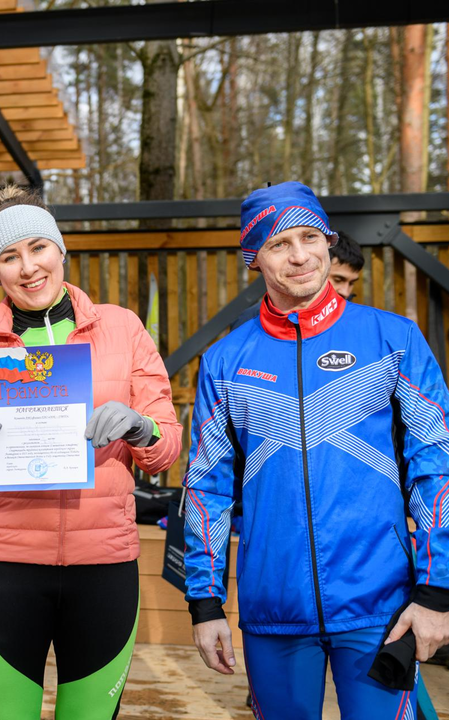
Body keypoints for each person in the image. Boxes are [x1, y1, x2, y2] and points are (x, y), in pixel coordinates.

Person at [184, 181, 449, 719]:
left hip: (381, 607)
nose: (300, 255)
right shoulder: (224, 361)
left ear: (329, 242)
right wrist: (204, 603)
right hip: (272, 608)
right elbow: (206, 487)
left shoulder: (393, 338)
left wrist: (436, 590)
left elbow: (436, 464)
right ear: (254, 258)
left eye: (310, 237)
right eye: (280, 244)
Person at [0, 185, 182, 719]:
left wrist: (140, 430)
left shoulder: (122, 328)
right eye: (9, 257)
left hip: (103, 567)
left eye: (38, 248)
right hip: (4, 568)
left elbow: (166, 448)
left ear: (61, 250)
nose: (28, 267)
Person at [230, 229, 365, 329]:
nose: (346, 291)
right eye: (338, 279)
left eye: (351, 283)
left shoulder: (362, 322)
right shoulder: (251, 321)